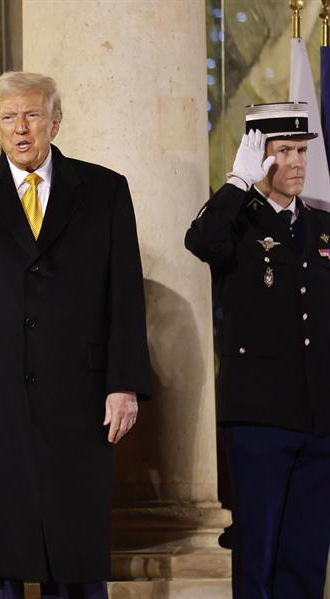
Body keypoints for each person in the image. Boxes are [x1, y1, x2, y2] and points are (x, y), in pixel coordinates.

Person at [0, 71, 151, 599]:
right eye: (8, 118)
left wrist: (124, 382)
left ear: (55, 121)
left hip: (78, 399)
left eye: (31, 115)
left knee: (70, 553)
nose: (20, 129)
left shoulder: (105, 190)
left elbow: (125, 296)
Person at [185, 102, 330, 599]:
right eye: (283, 151)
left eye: (302, 150)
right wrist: (236, 183)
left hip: (320, 418)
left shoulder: (322, 224)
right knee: (258, 556)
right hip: (259, 419)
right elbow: (200, 242)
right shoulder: (233, 223)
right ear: (257, 156)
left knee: (306, 557)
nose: (296, 162)